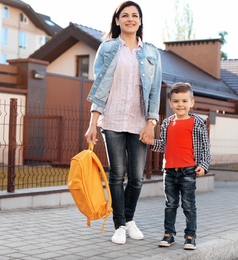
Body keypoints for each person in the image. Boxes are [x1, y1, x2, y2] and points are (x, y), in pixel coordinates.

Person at [84, 1, 162, 245]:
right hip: (114, 120)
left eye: (134, 15)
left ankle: (129, 219)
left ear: (140, 21)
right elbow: (100, 86)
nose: (130, 19)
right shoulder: (107, 49)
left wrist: (151, 122)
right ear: (117, 21)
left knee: (137, 177)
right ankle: (119, 225)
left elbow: (155, 91)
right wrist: (93, 121)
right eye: (125, 15)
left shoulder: (151, 52)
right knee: (117, 174)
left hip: (140, 122)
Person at [147, 82, 211, 250]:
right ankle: (169, 234)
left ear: (192, 102)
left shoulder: (197, 122)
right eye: (176, 101)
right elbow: (164, 145)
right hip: (169, 171)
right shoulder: (167, 123)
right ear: (170, 103)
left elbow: (205, 146)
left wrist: (203, 165)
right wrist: (151, 142)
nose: (180, 105)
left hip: (188, 170)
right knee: (170, 204)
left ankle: (190, 236)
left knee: (188, 205)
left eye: (184, 101)